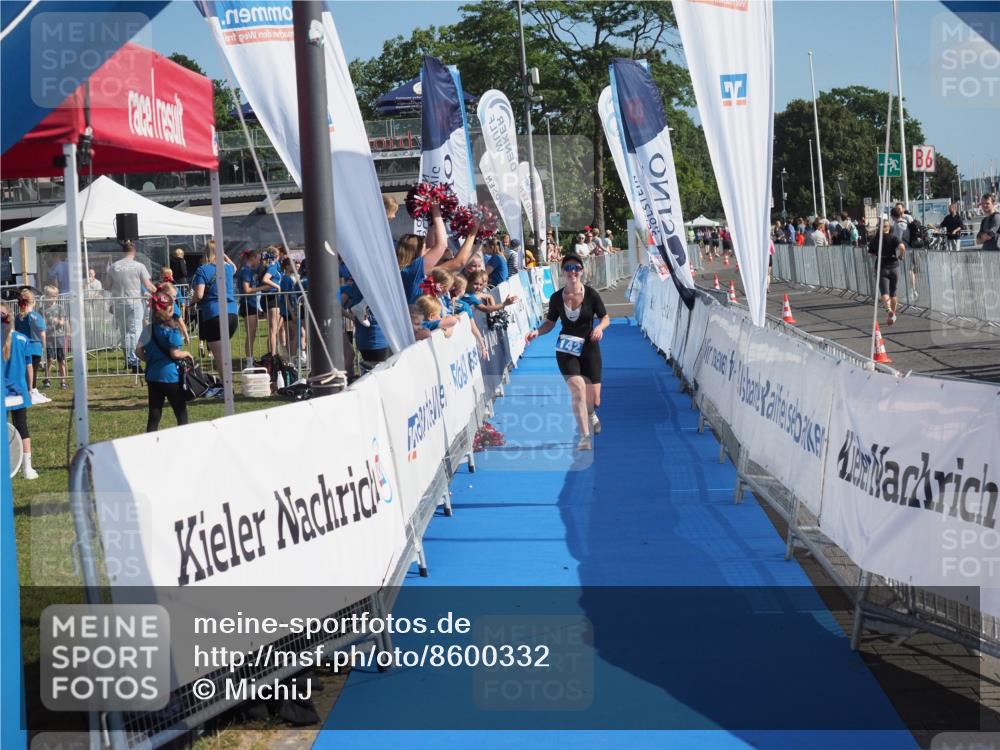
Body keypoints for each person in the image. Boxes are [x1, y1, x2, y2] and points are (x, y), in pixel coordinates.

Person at [525, 254, 610, 451]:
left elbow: (605, 318)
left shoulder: (591, 294)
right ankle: (584, 436)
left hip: (589, 348)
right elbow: (550, 323)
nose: (572, 271)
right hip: (566, 349)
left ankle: (591, 413)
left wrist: (599, 328)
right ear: (563, 272)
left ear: (582, 271)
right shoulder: (556, 298)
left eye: (576, 268)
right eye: (569, 268)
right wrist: (537, 332)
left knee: (594, 400)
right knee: (578, 389)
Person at [136, 286, 193, 432]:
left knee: (154, 414)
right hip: (170, 376)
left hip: (153, 376)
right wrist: (186, 353)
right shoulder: (172, 330)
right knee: (180, 411)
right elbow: (175, 353)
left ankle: (149, 442)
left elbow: (138, 351)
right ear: (168, 310)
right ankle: (184, 437)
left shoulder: (148, 329)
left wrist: (149, 359)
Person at [3, 302, 38, 478]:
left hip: (4, 393)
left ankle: (7, 465)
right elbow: (29, 366)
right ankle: (27, 468)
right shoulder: (23, 339)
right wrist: (31, 387)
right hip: (19, 391)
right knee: (22, 427)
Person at [109, 241, 156, 372]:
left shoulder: (114, 266)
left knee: (125, 333)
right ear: (134, 252)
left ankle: (129, 360)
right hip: (134, 302)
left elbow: (107, 285)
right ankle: (134, 361)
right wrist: (160, 291)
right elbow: (148, 285)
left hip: (118, 303)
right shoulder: (139, 266)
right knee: (134, 332)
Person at [190, 240, 238, 364]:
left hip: (214, 314)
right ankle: (226, 381)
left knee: (220, 359)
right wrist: (224, 255)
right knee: (224, 355)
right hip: (232, 313)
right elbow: (235, 267)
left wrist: (190, 301)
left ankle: (225, 382)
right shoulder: (227, 268)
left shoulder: (203, 270)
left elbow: (199, 294)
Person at [869, 218, 905, 326]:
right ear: (889, 227)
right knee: (893, 292)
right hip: (894, 266)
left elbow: (870, 254)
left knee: (884, 292)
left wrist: (875, 254)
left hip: (881, 266)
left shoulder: (875, 239)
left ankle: (888, 309)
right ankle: (892, 315)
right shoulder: (893, 238)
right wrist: (900, 256)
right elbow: (902, 247)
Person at [14, 288, 47, 401]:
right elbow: (42, 334)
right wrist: (44, 346)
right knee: (33, 371)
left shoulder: (17, 317)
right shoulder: (36, 316)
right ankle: (32, 390)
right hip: (34, 347)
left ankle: (26, 390)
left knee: (23, 371)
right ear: (33, 302)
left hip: (21, 347)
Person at [40, 285, 68, 390]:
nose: (52, 298)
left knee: (61, 360)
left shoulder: (60, 307)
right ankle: (47, 379)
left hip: (59, 336)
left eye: (54, 296)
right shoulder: (42, 309)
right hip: (48, 337)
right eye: (50, 296)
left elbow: (63, 321)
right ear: (46, 296)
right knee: (49, 359)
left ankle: (63, 381)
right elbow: (40, 323)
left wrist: (59, 322)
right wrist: (43, 323)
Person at [237, 250, 263, 361]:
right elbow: (247, 290)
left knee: (252, 334)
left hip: (251, 304)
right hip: (247, 304)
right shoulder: (246, 271)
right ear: (252, 258)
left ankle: (250, 360)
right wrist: (263, 288)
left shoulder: (248, 270)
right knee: (251, 335)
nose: (259, 261)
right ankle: (249, 361)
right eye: (258, 258)